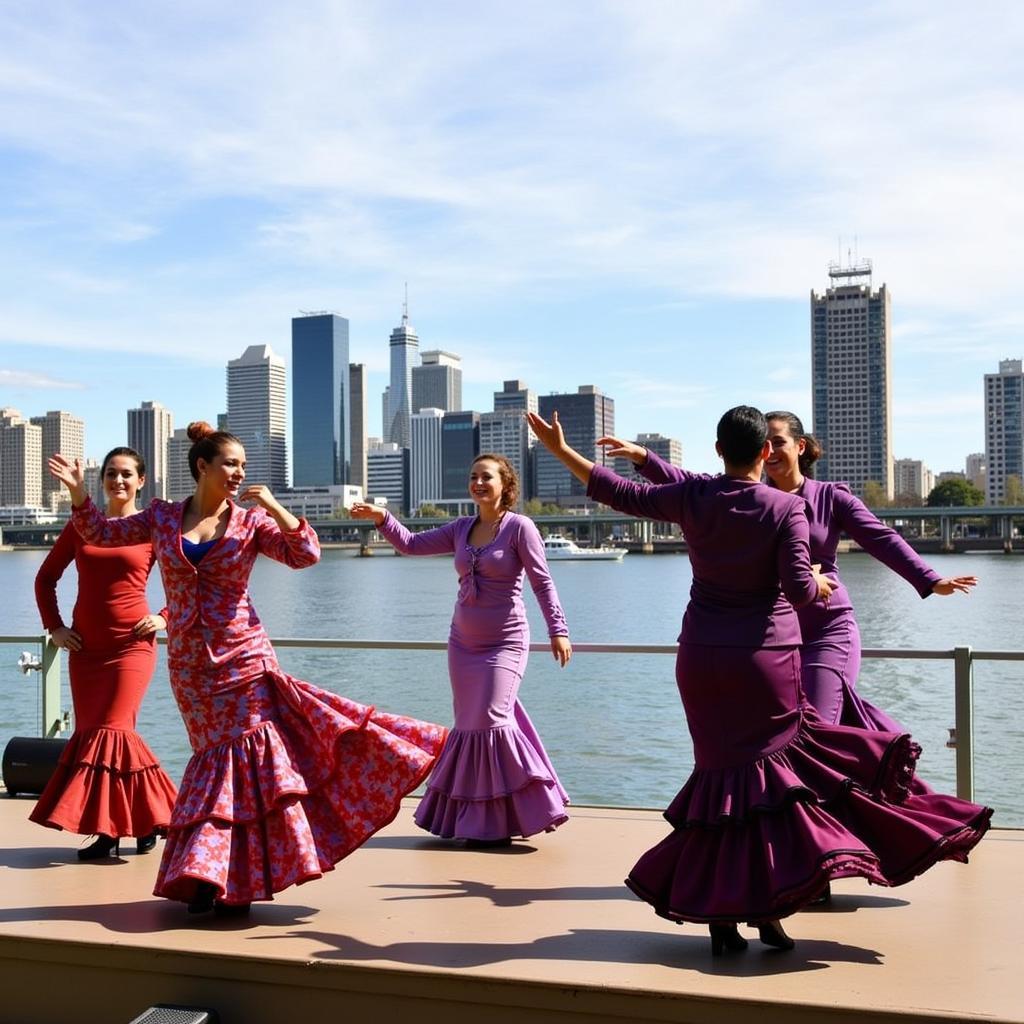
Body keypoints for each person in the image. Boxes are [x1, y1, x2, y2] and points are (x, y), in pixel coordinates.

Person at [528, 406, 991, 955]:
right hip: (766, 659)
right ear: (765, 452)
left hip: (701, 660)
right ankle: (774, 899)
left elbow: (618, 492)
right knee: (770, 784)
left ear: (719, 450)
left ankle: (731, 911)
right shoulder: (786, 508)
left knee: (719, 783)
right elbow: (799, 589)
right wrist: (819, 583)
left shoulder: (702, 497)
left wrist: (560, 450)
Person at [49, 422, 447, 915]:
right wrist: (80, 492)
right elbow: (100, 532)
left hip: (245, 657)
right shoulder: (162, 517)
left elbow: (305, 555)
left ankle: (221, 881)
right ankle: (213, 875)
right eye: (230, 464)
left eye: (242, 465)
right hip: (191, 668)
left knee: (245, 766)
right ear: (202, 467)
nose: (238, 473)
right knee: (213, 761)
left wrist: (276, 508)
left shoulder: (251, 523)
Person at [607, 415, 977, 731]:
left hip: (826, 630)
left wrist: (929, 579)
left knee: (816, 725)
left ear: (799, 446)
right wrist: (645, 458)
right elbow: (688, 484)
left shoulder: (832, 497)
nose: (770, 450)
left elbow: (881, 538)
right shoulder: (750, 497)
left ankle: (830, 809)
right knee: (777, 736)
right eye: (765, 443)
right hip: (772, 639)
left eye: (779, 441)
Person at [350, 453, 571, 846]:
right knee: (472, 726)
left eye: (486, 477)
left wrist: (559, 630)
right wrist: (381, 518)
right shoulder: (460, 528)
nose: (478, 483)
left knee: (490, 719)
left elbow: (543, 583)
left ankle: (517, 812)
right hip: (462, 644)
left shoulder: (520, 528)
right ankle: (484, 820)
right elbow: (412, 545)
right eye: (473, 477)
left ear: (505, 485)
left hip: (505, 641)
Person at [31, 447, 178, 859]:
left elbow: (187, 583)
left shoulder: (151, 528)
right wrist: (55, 627)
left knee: (114, 734)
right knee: (94, 736)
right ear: (102, 480)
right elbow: (45, 579)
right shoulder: (81, 527)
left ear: (141, 480)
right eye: (111, 473)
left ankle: (116, 830)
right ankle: (142, 824)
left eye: (127, 474)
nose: (118, 480)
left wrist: (164, 616)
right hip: (86, 649)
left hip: (131, 645)